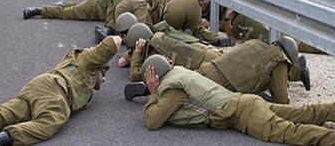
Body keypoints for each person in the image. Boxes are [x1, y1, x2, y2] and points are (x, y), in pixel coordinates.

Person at [0, 36, 122, 146]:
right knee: (49, 123)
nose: (104, 80)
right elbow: (112, 43)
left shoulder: (78, 64)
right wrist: (122, 34)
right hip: (57, 92)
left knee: (4, 113)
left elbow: (96, 82)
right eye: (103, 74)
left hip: (39, 86)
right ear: (98, 67)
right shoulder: (88, 61)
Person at [139, 55, 335, 145]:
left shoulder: (172, 89)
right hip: (245, 102)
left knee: (289, 133)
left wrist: (154, 92)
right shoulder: (179, 72)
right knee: (302, 113)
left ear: (153, 76)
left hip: (243, 113)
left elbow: (152, 121)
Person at [124, 26, 310, 104]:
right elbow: (282, 104)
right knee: (186, 97)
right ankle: (153, 89)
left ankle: (153, 87)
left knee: (185, 85)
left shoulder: (259, 45)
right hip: (221, 83)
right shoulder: (278, 61)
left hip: (211, 67)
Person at [23, 0, 111, 21]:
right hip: (95, 8)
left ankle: (62, 4)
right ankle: (39, 10)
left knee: (74, 6)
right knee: (66, 13)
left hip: (97, 1)